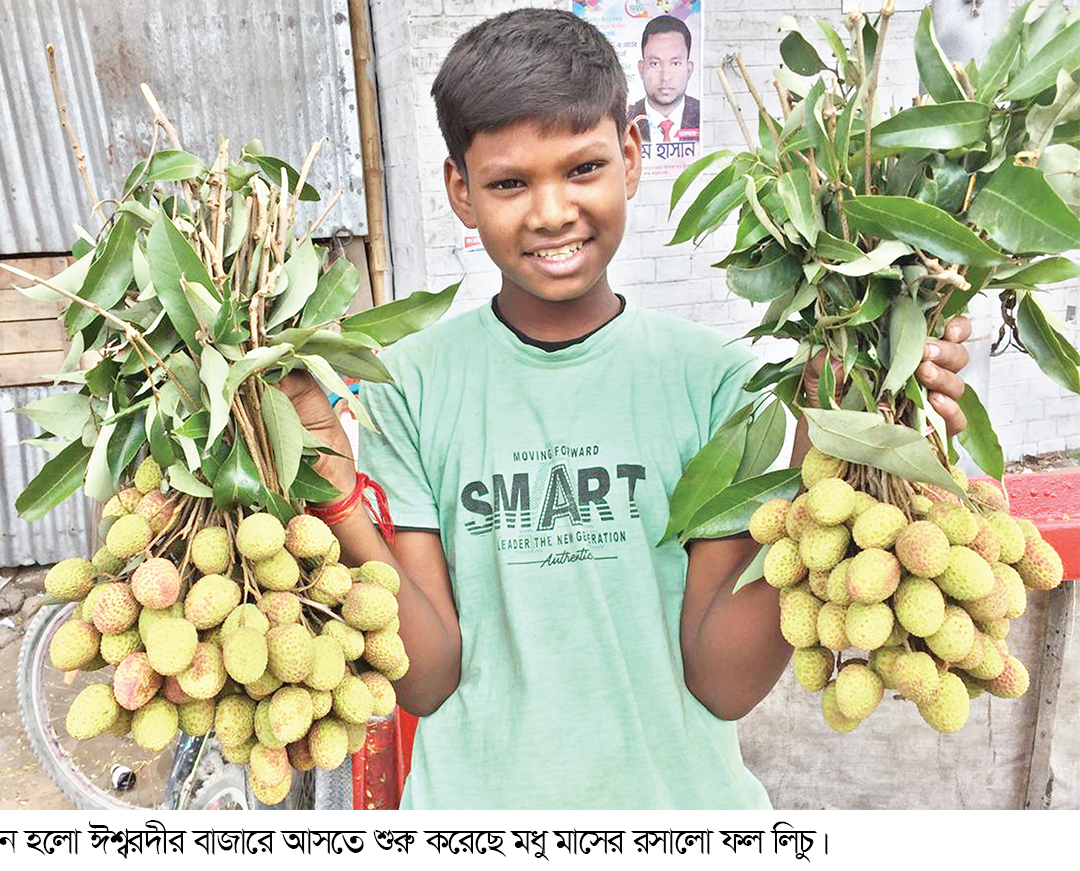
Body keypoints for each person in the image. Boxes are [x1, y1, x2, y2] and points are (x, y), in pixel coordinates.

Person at [279, 8, 972, 809]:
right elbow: (427, 681)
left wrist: (830, 443)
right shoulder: (407, 385)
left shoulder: (717, 383)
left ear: (631, 156)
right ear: (461, 193)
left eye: (581, 168)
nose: (550, 211)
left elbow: (722, 683)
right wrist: (333, 499)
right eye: (509, 182)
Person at [627, 15, 700, 143]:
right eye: (655, 64)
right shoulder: (624, 119)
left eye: (675, 63)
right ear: (641, 69)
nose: (665, 77)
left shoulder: (703, 115)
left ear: (689, 69)